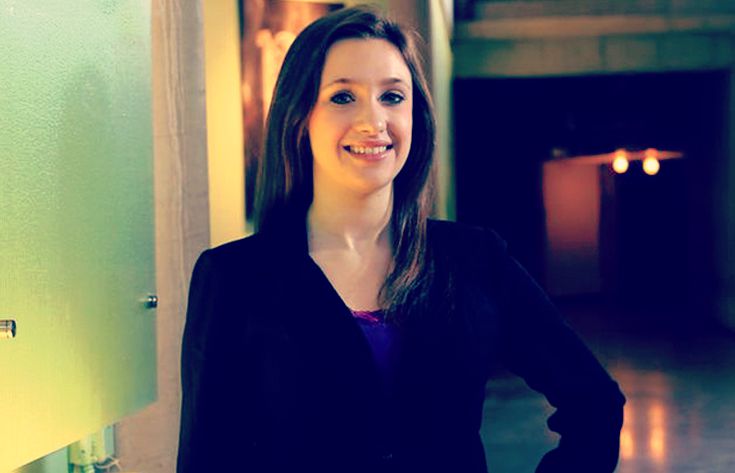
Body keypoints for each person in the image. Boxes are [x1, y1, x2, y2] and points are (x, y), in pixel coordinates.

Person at [177, 5, 625, 473]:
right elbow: (207, 459)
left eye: (392, 97)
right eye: (343, 97)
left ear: (417, 116)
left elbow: (593, 403)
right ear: (299, 117)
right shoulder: (234, 278)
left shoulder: (474, 260)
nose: (373, 121)